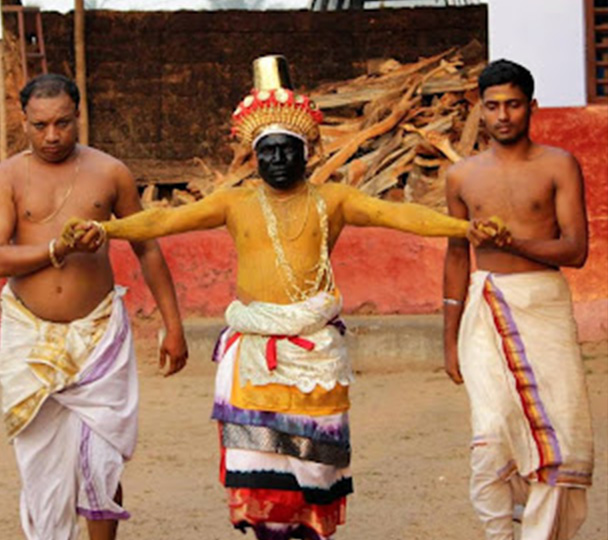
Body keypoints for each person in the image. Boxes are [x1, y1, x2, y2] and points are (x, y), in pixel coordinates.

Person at [63, 55, 502, 540]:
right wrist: (106, 229)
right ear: (252, 155)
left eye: (285, 151)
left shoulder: (333, 201)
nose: (276, 160)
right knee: (262, 473)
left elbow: (400, 217)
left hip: (315, 356)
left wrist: (466, 228)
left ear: (306, 152)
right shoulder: (236, 202)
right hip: (255, 355)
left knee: (316, 472)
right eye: (265, 151)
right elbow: (161, 222)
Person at [0, 73, 189, 540]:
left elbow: (147, 247)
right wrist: (58, 249)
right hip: (29, 335)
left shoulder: (109, 173)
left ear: (79, 116)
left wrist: (174, 326)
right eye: (40, 126)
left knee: (102, 461)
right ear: (24, 122)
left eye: (63, 123)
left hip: (98, 334)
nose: (52, 136)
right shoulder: (6, 178)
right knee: (42, 466)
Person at [443, 59, 594, 540]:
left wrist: (514, 244)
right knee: (490, 440)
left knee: (560, 442)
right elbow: (456, 255)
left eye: (513, 104)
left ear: (532, 107)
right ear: (479, 111)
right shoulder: (460, 177)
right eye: (493, 106)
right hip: (483, 308)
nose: (503, 115)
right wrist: (448, 340)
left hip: (543, 305)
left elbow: (575, 249)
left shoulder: (558, 165)